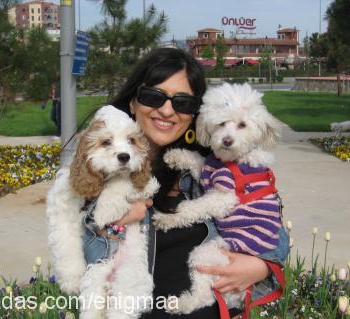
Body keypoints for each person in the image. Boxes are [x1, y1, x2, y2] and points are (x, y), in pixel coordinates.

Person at [83, 48, 288, 318]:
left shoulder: (213, 163)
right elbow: (76, 248)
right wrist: (113, 220)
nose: (167, 111)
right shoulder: (97, 166)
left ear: (195, 114)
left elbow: (272, 225)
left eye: (182, 102)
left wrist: (261, 266)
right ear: (133, 102)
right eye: (154, 97)